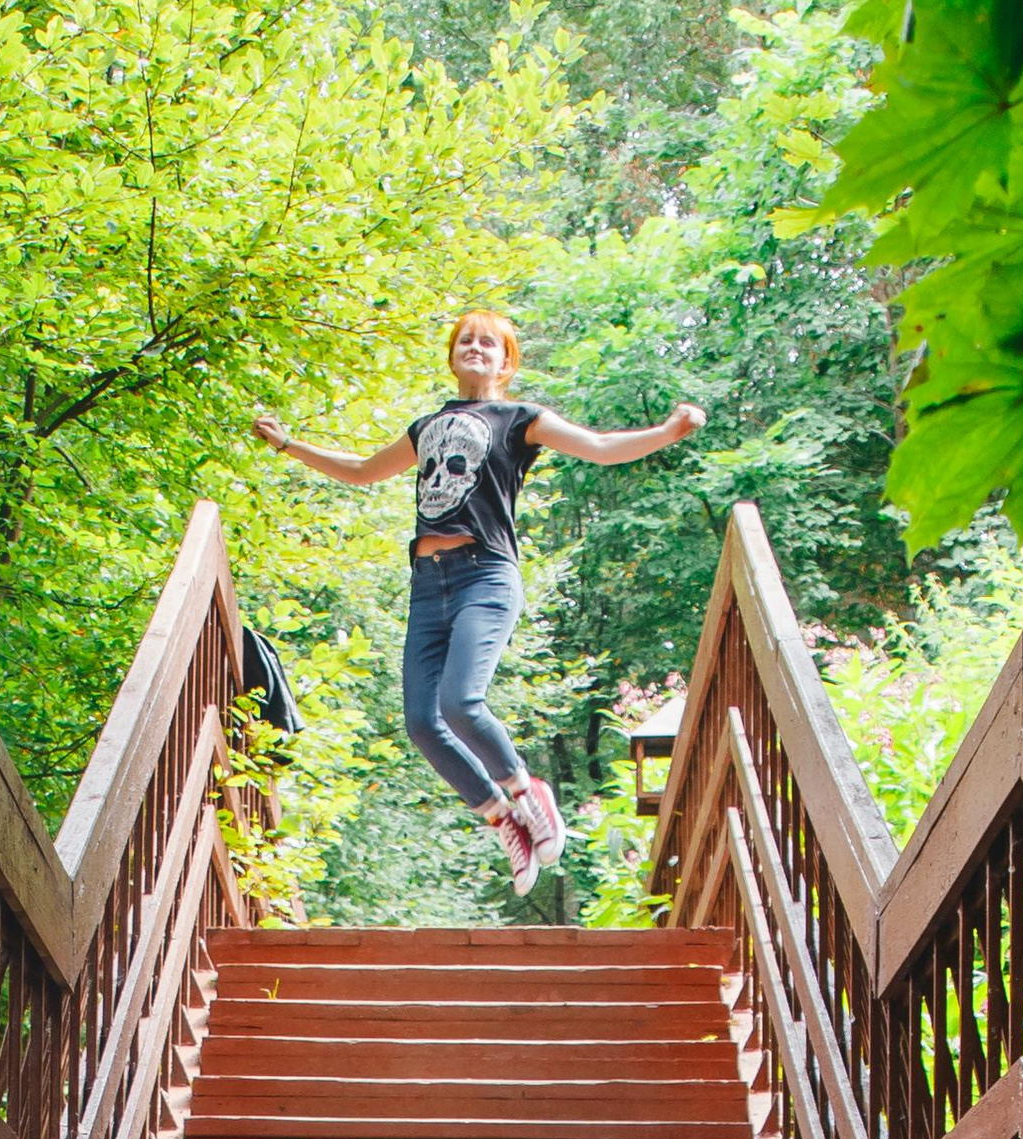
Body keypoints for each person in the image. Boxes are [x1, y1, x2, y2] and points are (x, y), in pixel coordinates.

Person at [252, 311, 705, 898]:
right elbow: (364, 471)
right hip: (427, 583)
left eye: (489, 342)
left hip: (485, 575)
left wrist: (667, 431)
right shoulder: (426, 427)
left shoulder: (519, 419)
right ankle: (502, 818)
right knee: (422, 722)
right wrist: (290, 445)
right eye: (466, 340)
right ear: (452, 356)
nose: (476, 347)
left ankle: (526, 789)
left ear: (506, 361)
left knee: (461, 702)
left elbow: (597, 447)